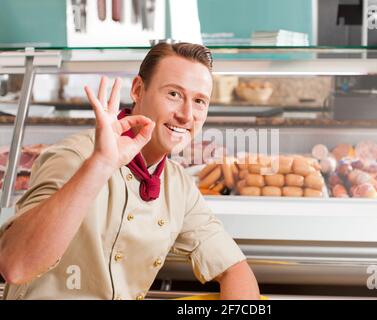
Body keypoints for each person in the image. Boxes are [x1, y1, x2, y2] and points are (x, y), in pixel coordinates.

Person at [0, 43, 260, 300]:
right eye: (174, 94)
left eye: (200, 101)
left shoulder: (177, 185)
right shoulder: (75, 157)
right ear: (138, 90)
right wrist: (100, 164)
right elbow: (15, 265)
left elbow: (235, 270)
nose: (186, 115)